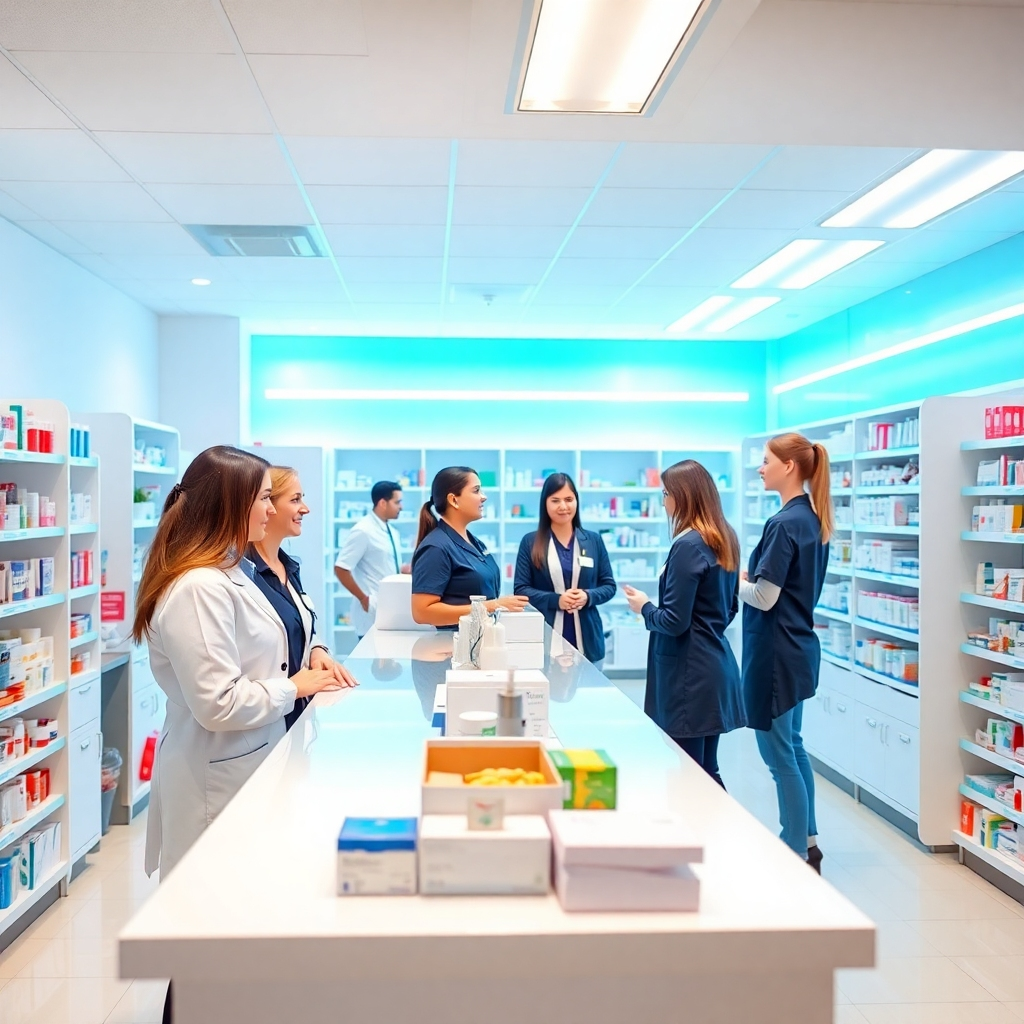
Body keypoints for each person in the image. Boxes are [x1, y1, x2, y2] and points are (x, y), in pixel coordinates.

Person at [132, 446, 339, 881]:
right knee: (210, 905)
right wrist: (297, 687)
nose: (272, 508)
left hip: (256, 758)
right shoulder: (199, 587)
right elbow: (218, 704)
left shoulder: (230, 571)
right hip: (218, 775)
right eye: (265, 498)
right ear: (232, 503)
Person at [739, 432, 832, 873]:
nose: (761, 468)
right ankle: (809, 839)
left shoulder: (782, 523)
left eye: (765, 460)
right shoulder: (811, 518)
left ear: (788, 466)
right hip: (798, 650)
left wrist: (727, 579)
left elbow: (764, 597)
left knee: (778, 756)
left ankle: (793, 849)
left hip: (776, 656)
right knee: (793, 748)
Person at [623, 460, 745, 788]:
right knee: (705, 769)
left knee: (692, 774)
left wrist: (644, 607)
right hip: (714, 667)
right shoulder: (725, 536)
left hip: (690, 678)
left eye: (665, 493)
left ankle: (706, 835)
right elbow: (730, 606)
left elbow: (674, 622)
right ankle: (714, 835)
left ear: (682, 495)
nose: (663, 501)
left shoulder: (687, 546)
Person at [250, 465, 358, 732]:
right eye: (295, 499)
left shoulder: (288, 566)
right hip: (257, 727)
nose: (305, 509)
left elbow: (294, 627)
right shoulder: (244, 575)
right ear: (268, 506)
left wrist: (316, 650)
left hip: (294, 721)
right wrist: (296, 686)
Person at [513, 472, 615, 665]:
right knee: (547, 693)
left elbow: (609, 586)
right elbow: (521, 589)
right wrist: (557, 600)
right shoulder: (530, 542)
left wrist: (588, 596)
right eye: (555, 500)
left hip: (588, 638)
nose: (563, 506)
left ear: (576, 501)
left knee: (589, 693)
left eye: (569, 499)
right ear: (545, 503)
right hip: (546, 637)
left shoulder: (593, 540)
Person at [411, 466, 528, 626]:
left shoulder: (473, 542)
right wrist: (491, 606)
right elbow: (422, 612)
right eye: (476, 491)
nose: (484, 497)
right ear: (453, 500)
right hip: (452, 645)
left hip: (479, 639)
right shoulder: (436, 547)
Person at [335, 480, 409, 639]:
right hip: (372, 611)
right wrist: (363, 598)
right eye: (397, 502)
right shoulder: (363, 531)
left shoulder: (391, 531)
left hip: (391, 609)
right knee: (373, 661)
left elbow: (382, 562)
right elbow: (341, 568)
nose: (401, 507)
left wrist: (402, 569)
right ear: (383, 503)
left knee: (392, 661)